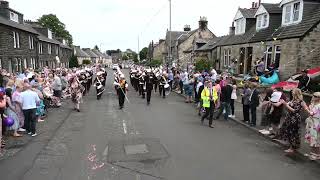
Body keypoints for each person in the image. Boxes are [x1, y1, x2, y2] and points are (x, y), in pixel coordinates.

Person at [279, 88, 310, 154]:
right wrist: (285, 103)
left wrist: (286, 104)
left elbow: (295, 111)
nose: (292, 92)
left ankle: (292, 148)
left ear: (296, 93)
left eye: (293, 92)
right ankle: (291, 146)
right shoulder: (292, 100)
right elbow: (288, 109)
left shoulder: (301, 101)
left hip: (295, 118)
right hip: (289, 117)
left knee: (293, 132)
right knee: (288, 131)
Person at [305, 92, 320, 160]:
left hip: (316, 123)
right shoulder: (313, 104)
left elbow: (312, 113)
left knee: (315, 139)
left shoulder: (319, 105)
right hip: (312, 122)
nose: (313, 97)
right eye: (313, 95)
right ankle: (313, 153)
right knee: (312, 138)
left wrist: (305, 108)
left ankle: (317, 154)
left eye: (315, 96)